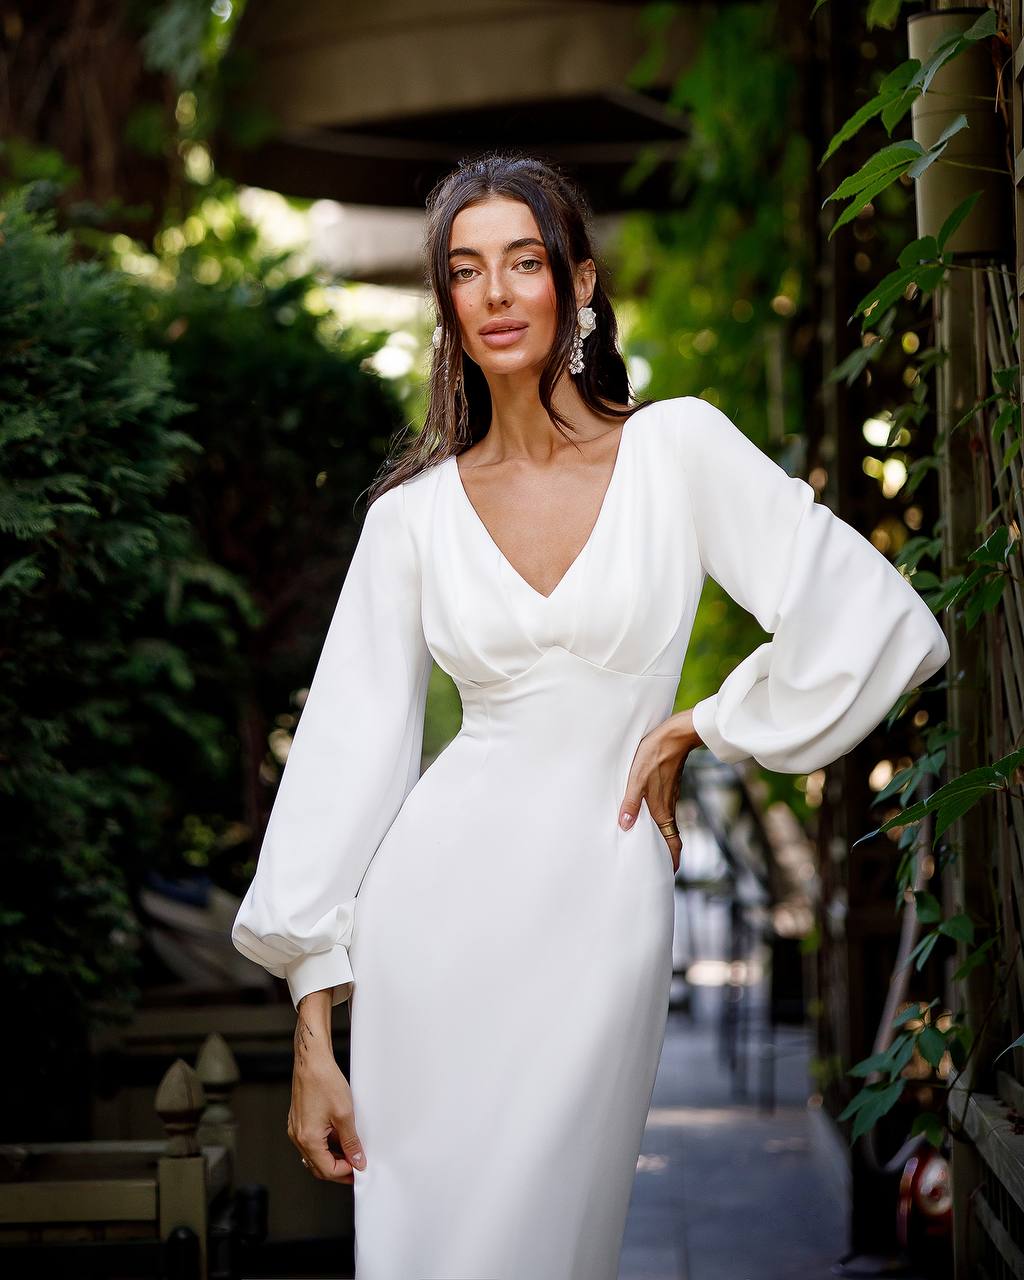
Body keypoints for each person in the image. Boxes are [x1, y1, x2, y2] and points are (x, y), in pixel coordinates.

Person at [231, 150, 950, 1279]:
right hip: (435, 918)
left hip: (601, 897)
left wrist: (702, 722)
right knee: (431, 1241)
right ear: (448, 304)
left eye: (524, 261)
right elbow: (344, 758)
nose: (499, 292)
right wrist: (314, 1036)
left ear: (579, 283)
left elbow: (871, 618)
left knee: (548, 1233)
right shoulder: (411, 517)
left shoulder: (678, 450)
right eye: (467, 271)